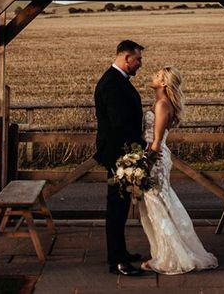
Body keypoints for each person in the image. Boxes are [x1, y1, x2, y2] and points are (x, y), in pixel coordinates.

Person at [139, 66, 218, 274]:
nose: (153, 76)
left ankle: (171, 258)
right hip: (155, 156)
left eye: (157, 75)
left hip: (155, 158)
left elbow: (155, 142)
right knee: (159, 204)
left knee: (158, 206)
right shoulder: (161, 103)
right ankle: (163, 252)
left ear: (164, 83)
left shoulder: (163, 105)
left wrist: (143, 166)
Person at [94, 40, 148, 277]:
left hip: (124, 153)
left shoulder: (117, 80)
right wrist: (138, 148)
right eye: (138, 59)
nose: (140, 64)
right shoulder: (112, 84)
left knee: (121, 205)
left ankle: (121, 252)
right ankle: (116, 260)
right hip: (119, 155)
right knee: (116, 207)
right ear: (126, 57)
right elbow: (119, 124)